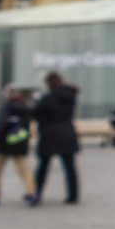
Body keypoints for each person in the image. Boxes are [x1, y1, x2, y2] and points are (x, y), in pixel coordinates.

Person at [30, 71, 80, 206]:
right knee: (69, 166)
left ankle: (37, 193)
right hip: (67, 131)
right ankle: (73, 195)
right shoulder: (70, 95)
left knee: (43, 166)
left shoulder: (48, 97)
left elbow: (36, 112)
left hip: (50, 133)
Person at [0, 87, 34, 206]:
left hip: (4, 143)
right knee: (24, 170)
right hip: (20, 142)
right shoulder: (25, 108)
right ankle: (32, 193)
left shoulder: (7, 108)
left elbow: (1, 125)